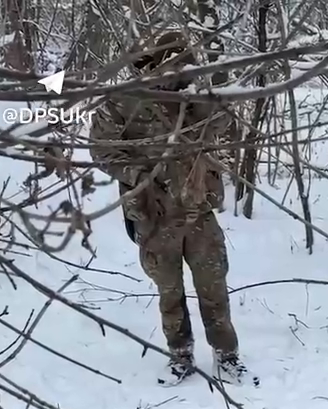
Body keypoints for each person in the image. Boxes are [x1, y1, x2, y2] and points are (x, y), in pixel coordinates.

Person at [90, 31, 253, 386]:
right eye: (172, 62)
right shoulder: (124, 101)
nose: (179, 69)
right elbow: (102, 149)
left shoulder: (195, 95)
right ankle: (180, 354)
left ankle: (227, 355)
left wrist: (205, 98)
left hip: (198, 210)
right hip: (154, 214)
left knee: (213, 285)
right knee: (169, 291)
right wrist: (141, 177)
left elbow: (223, 125)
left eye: (183, 61)